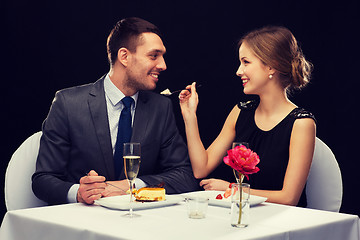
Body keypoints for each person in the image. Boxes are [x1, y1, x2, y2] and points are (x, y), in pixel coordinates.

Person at [32, 17, 199, 205]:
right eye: (154, 56)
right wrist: (78, 192)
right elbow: (42, 180)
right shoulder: (68, 103)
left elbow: (184, 175)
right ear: (124, 56)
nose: (163, 65)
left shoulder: (161, 107)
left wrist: (131, 186)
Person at [179, 26, 316, 206]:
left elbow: (288, 198)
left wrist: (232, 188)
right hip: (241, 215)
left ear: (271, 66)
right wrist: (190, 117)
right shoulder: (240, 111)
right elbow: (201, 169)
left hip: (281, 222)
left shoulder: (301, 123)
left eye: (246, 62)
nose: (238, 71)